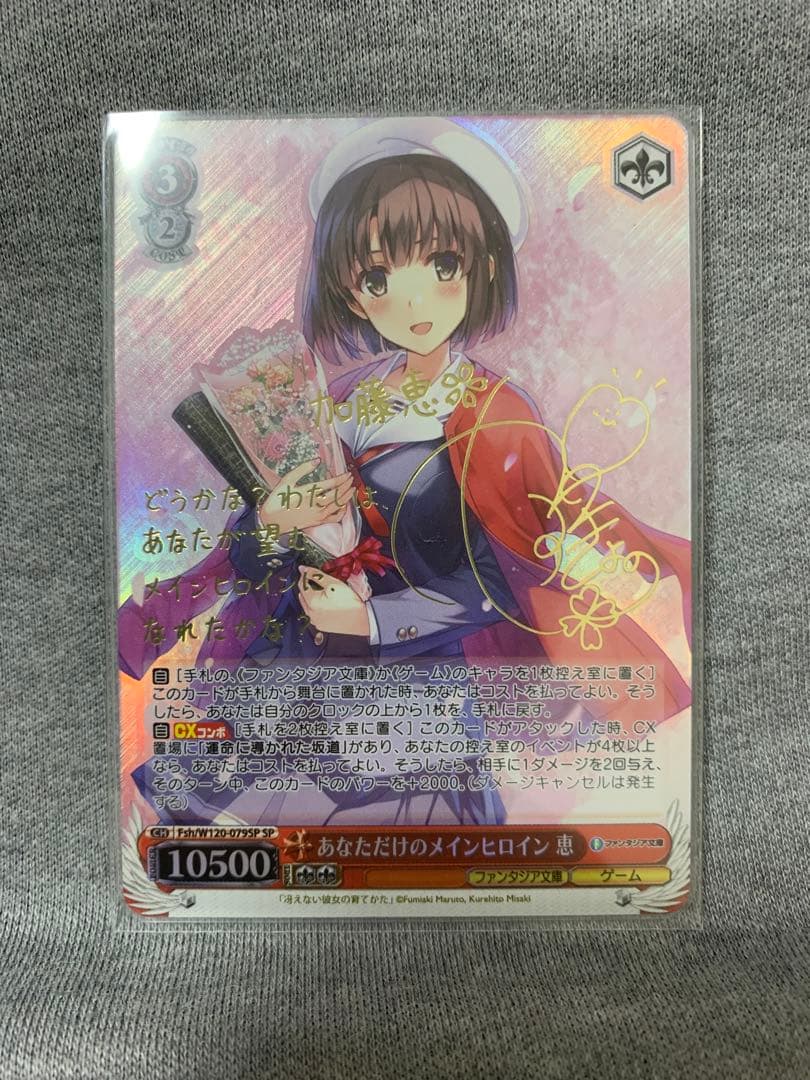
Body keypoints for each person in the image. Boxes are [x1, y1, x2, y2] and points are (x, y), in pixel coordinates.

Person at [119, 118, 691, 826]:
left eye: (443, 266)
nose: (413, 302)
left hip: (410, 689)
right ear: (350, 291)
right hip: (290, 676)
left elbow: (496, 583)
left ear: (483, 266)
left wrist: (374, 619)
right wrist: (273, 523)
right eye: (379, 277)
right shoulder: (336, 400)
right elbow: (251, 552)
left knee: (406, 843)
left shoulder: (494, 416)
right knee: (226, 838)